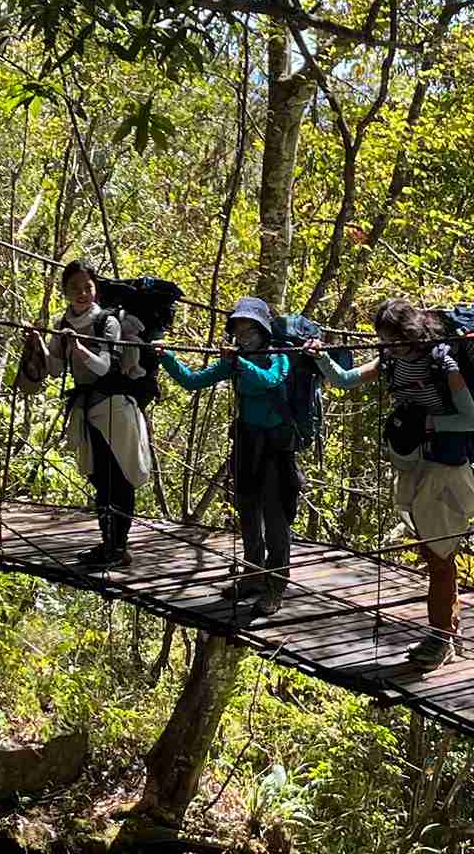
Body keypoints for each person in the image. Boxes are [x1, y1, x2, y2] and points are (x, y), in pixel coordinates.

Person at [307, 299, 474, 669]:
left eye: (395, 339)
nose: (389, 347)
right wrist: (321, 357)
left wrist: (426, 424)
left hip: (444, 471)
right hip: (414, 467)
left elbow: (471, 420)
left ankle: (441, 640)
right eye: (384, 340)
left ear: (412, 332)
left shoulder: (443, 364)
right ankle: (446, 634)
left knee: (439, 559)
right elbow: (345, 379)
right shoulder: (392, 360)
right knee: (435, 556)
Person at [157, 297, 301, 618]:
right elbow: (193, 381)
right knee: (248, 512)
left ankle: (275, 585)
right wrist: (166, 357)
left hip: (277, 449)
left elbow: (269, 380)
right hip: (247, 445)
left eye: (249, 330)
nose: (243, 337)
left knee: (275, 518)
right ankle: (252, 576)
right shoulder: (234, 361)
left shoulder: (279, 356)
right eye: (238, 331)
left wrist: (239, 364)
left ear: (263, 330)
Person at [36, 258, 152, 569]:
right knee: (100, 479)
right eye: (74, 287)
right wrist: (39, 344)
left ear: (95, 289)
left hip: (115, 409)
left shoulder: (107, 322)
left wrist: (78, 347)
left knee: (120, 479)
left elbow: (103, 367)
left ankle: (118, 547)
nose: (82, 293)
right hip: (88, 410)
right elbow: (55, 368)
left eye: (87, 287)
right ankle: (109, 545)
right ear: (64, 291)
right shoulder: (63, 324)